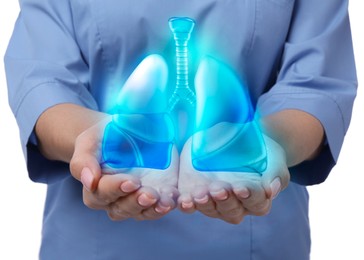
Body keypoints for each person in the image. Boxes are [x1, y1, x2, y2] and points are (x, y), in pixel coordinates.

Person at [4, 0, 357, 259]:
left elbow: (316, 87)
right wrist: (102, 140)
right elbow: (43, 81)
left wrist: (260, 145)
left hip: (254, 239)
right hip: (95, 241)